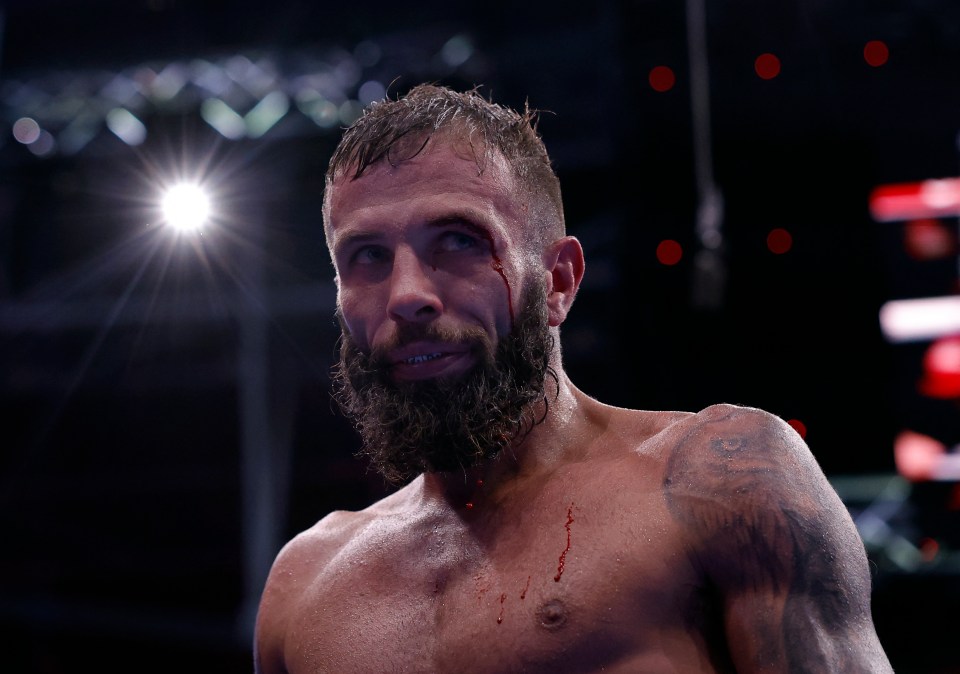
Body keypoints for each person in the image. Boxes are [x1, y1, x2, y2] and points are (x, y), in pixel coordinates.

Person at [253, 83, 894, 673]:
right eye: (367, 257)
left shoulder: (718, 480)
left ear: (559, 280)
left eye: (459, 241)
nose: (407, 296)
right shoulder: (304, 584)